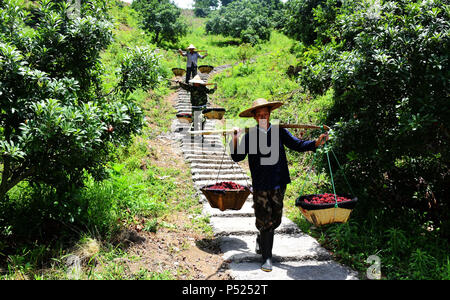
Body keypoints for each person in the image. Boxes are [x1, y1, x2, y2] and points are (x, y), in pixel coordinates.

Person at [229, 98, 329, 272]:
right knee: (264, 219)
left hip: (278, 182)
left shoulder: (279, 131)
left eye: (265, 114)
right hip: (260, 183)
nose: (262, 117)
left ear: (269, 115)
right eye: (259, 114)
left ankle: (262, 239)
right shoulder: (250, 134)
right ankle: (267, 257)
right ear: (254, 117)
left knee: (275, 219)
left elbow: (297, 145)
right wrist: (235, 139)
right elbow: (238, 157)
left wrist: (315, 143)